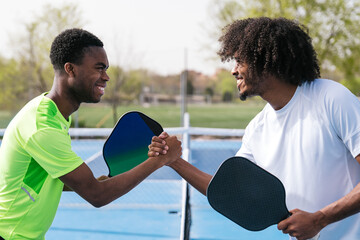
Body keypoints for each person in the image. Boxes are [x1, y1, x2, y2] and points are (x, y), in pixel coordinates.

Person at [149, 17, 360, 240]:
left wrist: (320, 219)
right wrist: (172, 160)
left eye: (239, 61)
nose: (233, 71)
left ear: (267, 59)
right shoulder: (257, 129)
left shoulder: (332, 98)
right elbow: (230, 192)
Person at [0, 28, 182, 240]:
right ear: (70, 69)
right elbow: (97, 195)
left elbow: (42, 175)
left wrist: (90, 181)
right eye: (99, 68)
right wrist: (161, 160)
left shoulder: (51, 114)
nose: (106, 77)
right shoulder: (43, 126)